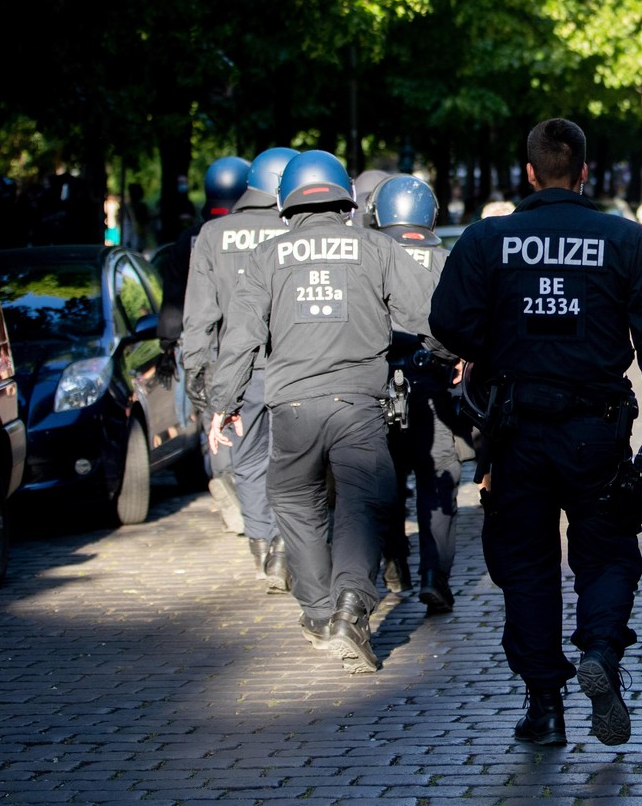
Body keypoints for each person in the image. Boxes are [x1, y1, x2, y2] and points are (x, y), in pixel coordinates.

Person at [431, 117, 642, 748]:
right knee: (605, 552)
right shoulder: (624, 240)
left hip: (515, 429)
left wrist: (495, 342)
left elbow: (447, 323)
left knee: (526, 566)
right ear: (583, 173)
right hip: (595, 429)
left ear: (527, 172)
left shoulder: (487, 239)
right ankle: (601, 649)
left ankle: (545, 704)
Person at [207, 150, 440, 675]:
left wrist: (223, 404)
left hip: (290, 407)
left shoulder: (267, 257)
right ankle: (351, 605)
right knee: (362, 502)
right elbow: (429, 313)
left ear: (287, 201)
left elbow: (240, 338)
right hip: (358, 404)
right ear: (346, 198)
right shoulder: (374, 247)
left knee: (293, 501)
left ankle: (318, 611)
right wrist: (453, 356)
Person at [181, 147, 297, 587]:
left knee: (246, 459)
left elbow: (200, 316)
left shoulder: (213, 234)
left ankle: (263, 546)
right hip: (290, 366)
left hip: (239, 370)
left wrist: (200, 375)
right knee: (293, 460)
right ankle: (287, 542)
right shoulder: (293, 230)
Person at [369, 174, 462, 614]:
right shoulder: (446, 261)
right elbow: (460, 325)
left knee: (383, 479)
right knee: (438, 477)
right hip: (433, 384)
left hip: (376, 384)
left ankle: (394, 563)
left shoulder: (366, 256)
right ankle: (434, 576)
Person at [155, 155, 249, 530]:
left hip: (208, 343)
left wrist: (168, 341)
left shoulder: (190, 238)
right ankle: (257, 492)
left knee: (216, 418)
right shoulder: (259, 230)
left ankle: (227, 478)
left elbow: (176, 296)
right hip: (248, 340)